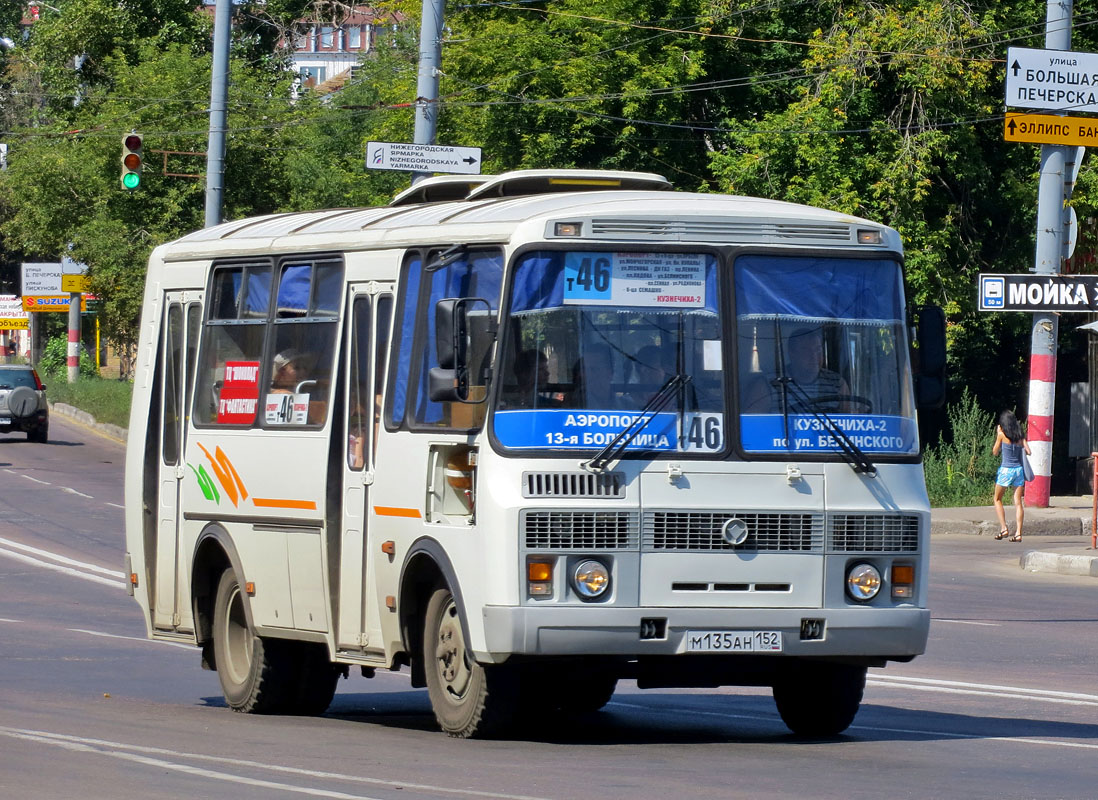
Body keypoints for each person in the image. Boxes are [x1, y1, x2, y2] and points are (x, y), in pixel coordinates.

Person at [780, 326, 849, 411]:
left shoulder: (837, 383)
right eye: (806, 351)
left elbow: (849, 419)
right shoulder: (771, 384)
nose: (814, 356)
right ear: (792, 353)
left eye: (818, 350)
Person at [992, 409, 1031, 542]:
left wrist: (998, 434)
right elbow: (1028, 451)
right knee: (1018, 502)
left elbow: (995, 452)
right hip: (1018, 471)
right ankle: (1019, 533)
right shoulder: (1020, 436)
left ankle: (1004, 528)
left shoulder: (1002, 435)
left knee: (997, 499)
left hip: (1006, 470)